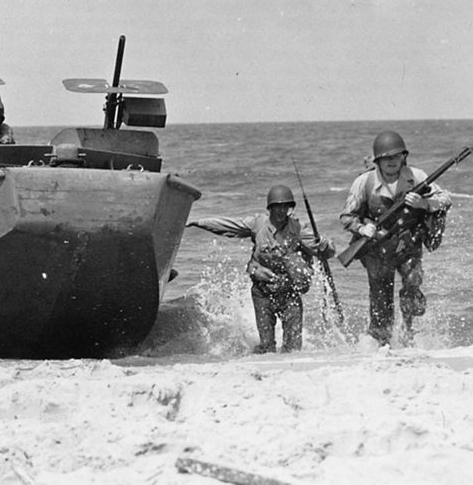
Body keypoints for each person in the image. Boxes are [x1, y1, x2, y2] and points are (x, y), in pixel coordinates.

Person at [188, 184, 334, 353]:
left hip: (289, 294)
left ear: (289, 209)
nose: (281, 212)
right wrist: (198, 222)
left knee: (293, 348)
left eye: (285, 207)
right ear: (270, 208)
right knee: (267, 346)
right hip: (263, 293)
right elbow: (228, 225)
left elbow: (324, 251)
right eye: (277, 207)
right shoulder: (257, 224)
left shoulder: (298, 228)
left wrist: (325, 245)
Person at [339, 130, 451, 347]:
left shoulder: (416, 176)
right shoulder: (364, 182)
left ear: (403, 156)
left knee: (413, 281)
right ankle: (381, 342)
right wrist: (363, 229)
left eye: (395, 156)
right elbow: (346, 217)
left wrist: (424, 204)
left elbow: (445, 198)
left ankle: (408, 331)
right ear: (377, 160)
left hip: (407, 244)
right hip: (376, 247)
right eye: (385, 158)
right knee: (380, 297)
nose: (391, 162)